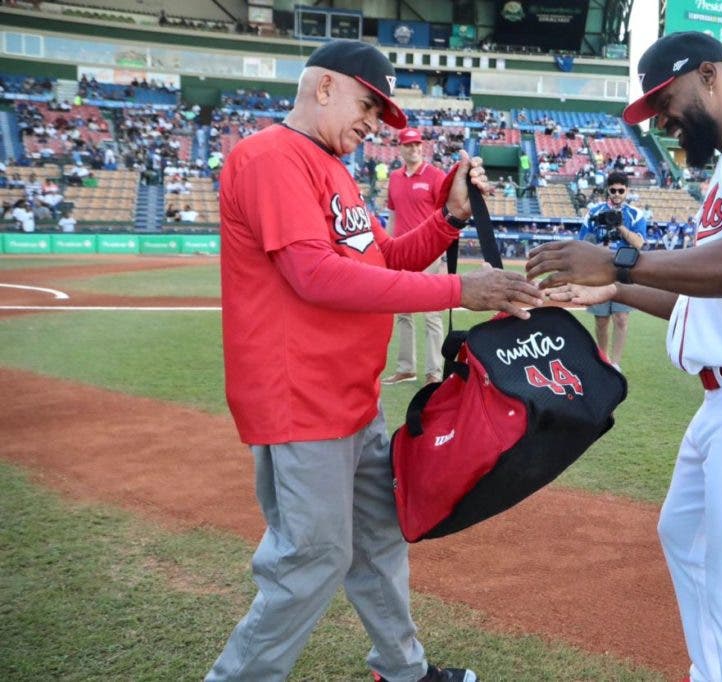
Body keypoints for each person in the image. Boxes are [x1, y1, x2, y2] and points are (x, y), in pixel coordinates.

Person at [210, 39, 542, 682]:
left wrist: (447, 219)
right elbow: (315, 276)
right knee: (313, 559)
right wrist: (459, 290)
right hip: (300, 399)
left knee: (378, 542)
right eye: (370, 104)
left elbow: (383, 261)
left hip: (351, 398)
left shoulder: (331, 167)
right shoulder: (270, 156)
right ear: (325, 87)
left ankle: (404, 670)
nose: (375, 124)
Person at [525, 32, 722, 681]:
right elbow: (707, 306)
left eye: (663, 100)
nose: (661, 119)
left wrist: (619, 258)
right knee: (685, 535)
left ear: (708, 76)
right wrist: (616, 286)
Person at [381, 127, 446, 386]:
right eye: (409, 145)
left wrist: (442, 252)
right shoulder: (395, 178)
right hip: (401, 252)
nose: (414, 149)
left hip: (429, 252)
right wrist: (385, 246)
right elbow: (393, 215)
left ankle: (434, 373)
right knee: (403, 313)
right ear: (401, 148)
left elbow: (446, 215)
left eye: (418, 144)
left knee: (432, 314)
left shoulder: (435, 176)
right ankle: (406, 368)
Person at [575, 171, 647, 369]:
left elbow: (639, 244)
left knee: (622, 318)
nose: (616, 194)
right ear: (608, 189)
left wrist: (620, 226)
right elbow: (583, 242)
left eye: (620, 190)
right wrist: (599, 247)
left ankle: (615, 363)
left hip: (625, 270)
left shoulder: (636, 214)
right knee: (601, 320)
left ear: (627, 191)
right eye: (613, 190)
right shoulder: (594, 212)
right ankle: (603, 359)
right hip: (599, 270)